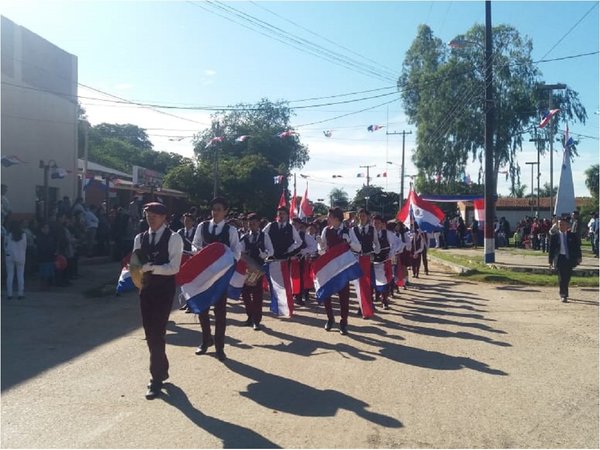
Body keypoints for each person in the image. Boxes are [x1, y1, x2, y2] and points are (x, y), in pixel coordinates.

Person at [132, 202, 183, 399]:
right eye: (147, 214)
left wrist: (153, 268)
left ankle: (155, 379)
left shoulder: (174, 238)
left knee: (158, 331)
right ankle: (162, 367)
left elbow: (174, 267)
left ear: (164, 217)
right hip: (146, 289)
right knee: (150, 332)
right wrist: (134, 274)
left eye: (154, 214)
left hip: (164, 289)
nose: (150, 217)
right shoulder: (140, 237)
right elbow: (136, 263)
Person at [191, 197, 241, 361]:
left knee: (220, 313)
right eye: (213, 209)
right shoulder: (202, 226)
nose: (215, 212)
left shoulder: (231, 230)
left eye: (219, 209)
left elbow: (237, 253)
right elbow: (195, 244)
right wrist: (199, 253)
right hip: (204, 276)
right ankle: (206, 341)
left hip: (220, 277)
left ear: (225, 211)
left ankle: (220, 347)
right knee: (202, 310)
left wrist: (223, 258)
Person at [318, 207, 361, 335]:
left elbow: (358, 248)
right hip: (330, 267)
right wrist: (320, 245)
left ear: (336, 219)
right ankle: (330, 319)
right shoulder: (326, 230)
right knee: (326, 293)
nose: (327, 219)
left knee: (344, 296)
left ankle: (344, 322)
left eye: (329, 217)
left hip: (343, 268)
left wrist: (350, 241)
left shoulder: (348, 230)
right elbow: (322, 250)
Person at [240, 213, 267, 330]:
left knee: (257, 295)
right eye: (250, 223)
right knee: (245, 293)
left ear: (258, 223)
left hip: (258, 269)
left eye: (254, 223)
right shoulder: (244, 237)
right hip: (248, 269)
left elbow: (270, 250)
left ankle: (256, 320)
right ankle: (250, 315)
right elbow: (239, 251)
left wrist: (263, 254)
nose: (252, 225)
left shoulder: (264, 236)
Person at [548, 216, 582, 303]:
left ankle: (564, 291)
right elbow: (551, 250)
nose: (561, 226)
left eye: (563, 225)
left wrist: (579, 257)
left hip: (569, 259)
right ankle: (563, 294)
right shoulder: (555, 236)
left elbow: (577, 247)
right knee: (561, 277)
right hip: (560, 258)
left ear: (567, 226)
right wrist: (550, 261)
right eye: (560, 225)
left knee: (567, 277)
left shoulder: (572, 236)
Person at [4, 220, 27, 299]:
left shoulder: (8, 235)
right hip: (21, 257)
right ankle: (20, 293)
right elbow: (25, 246)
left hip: (9, 256)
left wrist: (7, 252)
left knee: (10, 275)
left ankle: (9, 294)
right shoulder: (23, 235)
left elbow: (5, 246)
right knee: (20, 275)